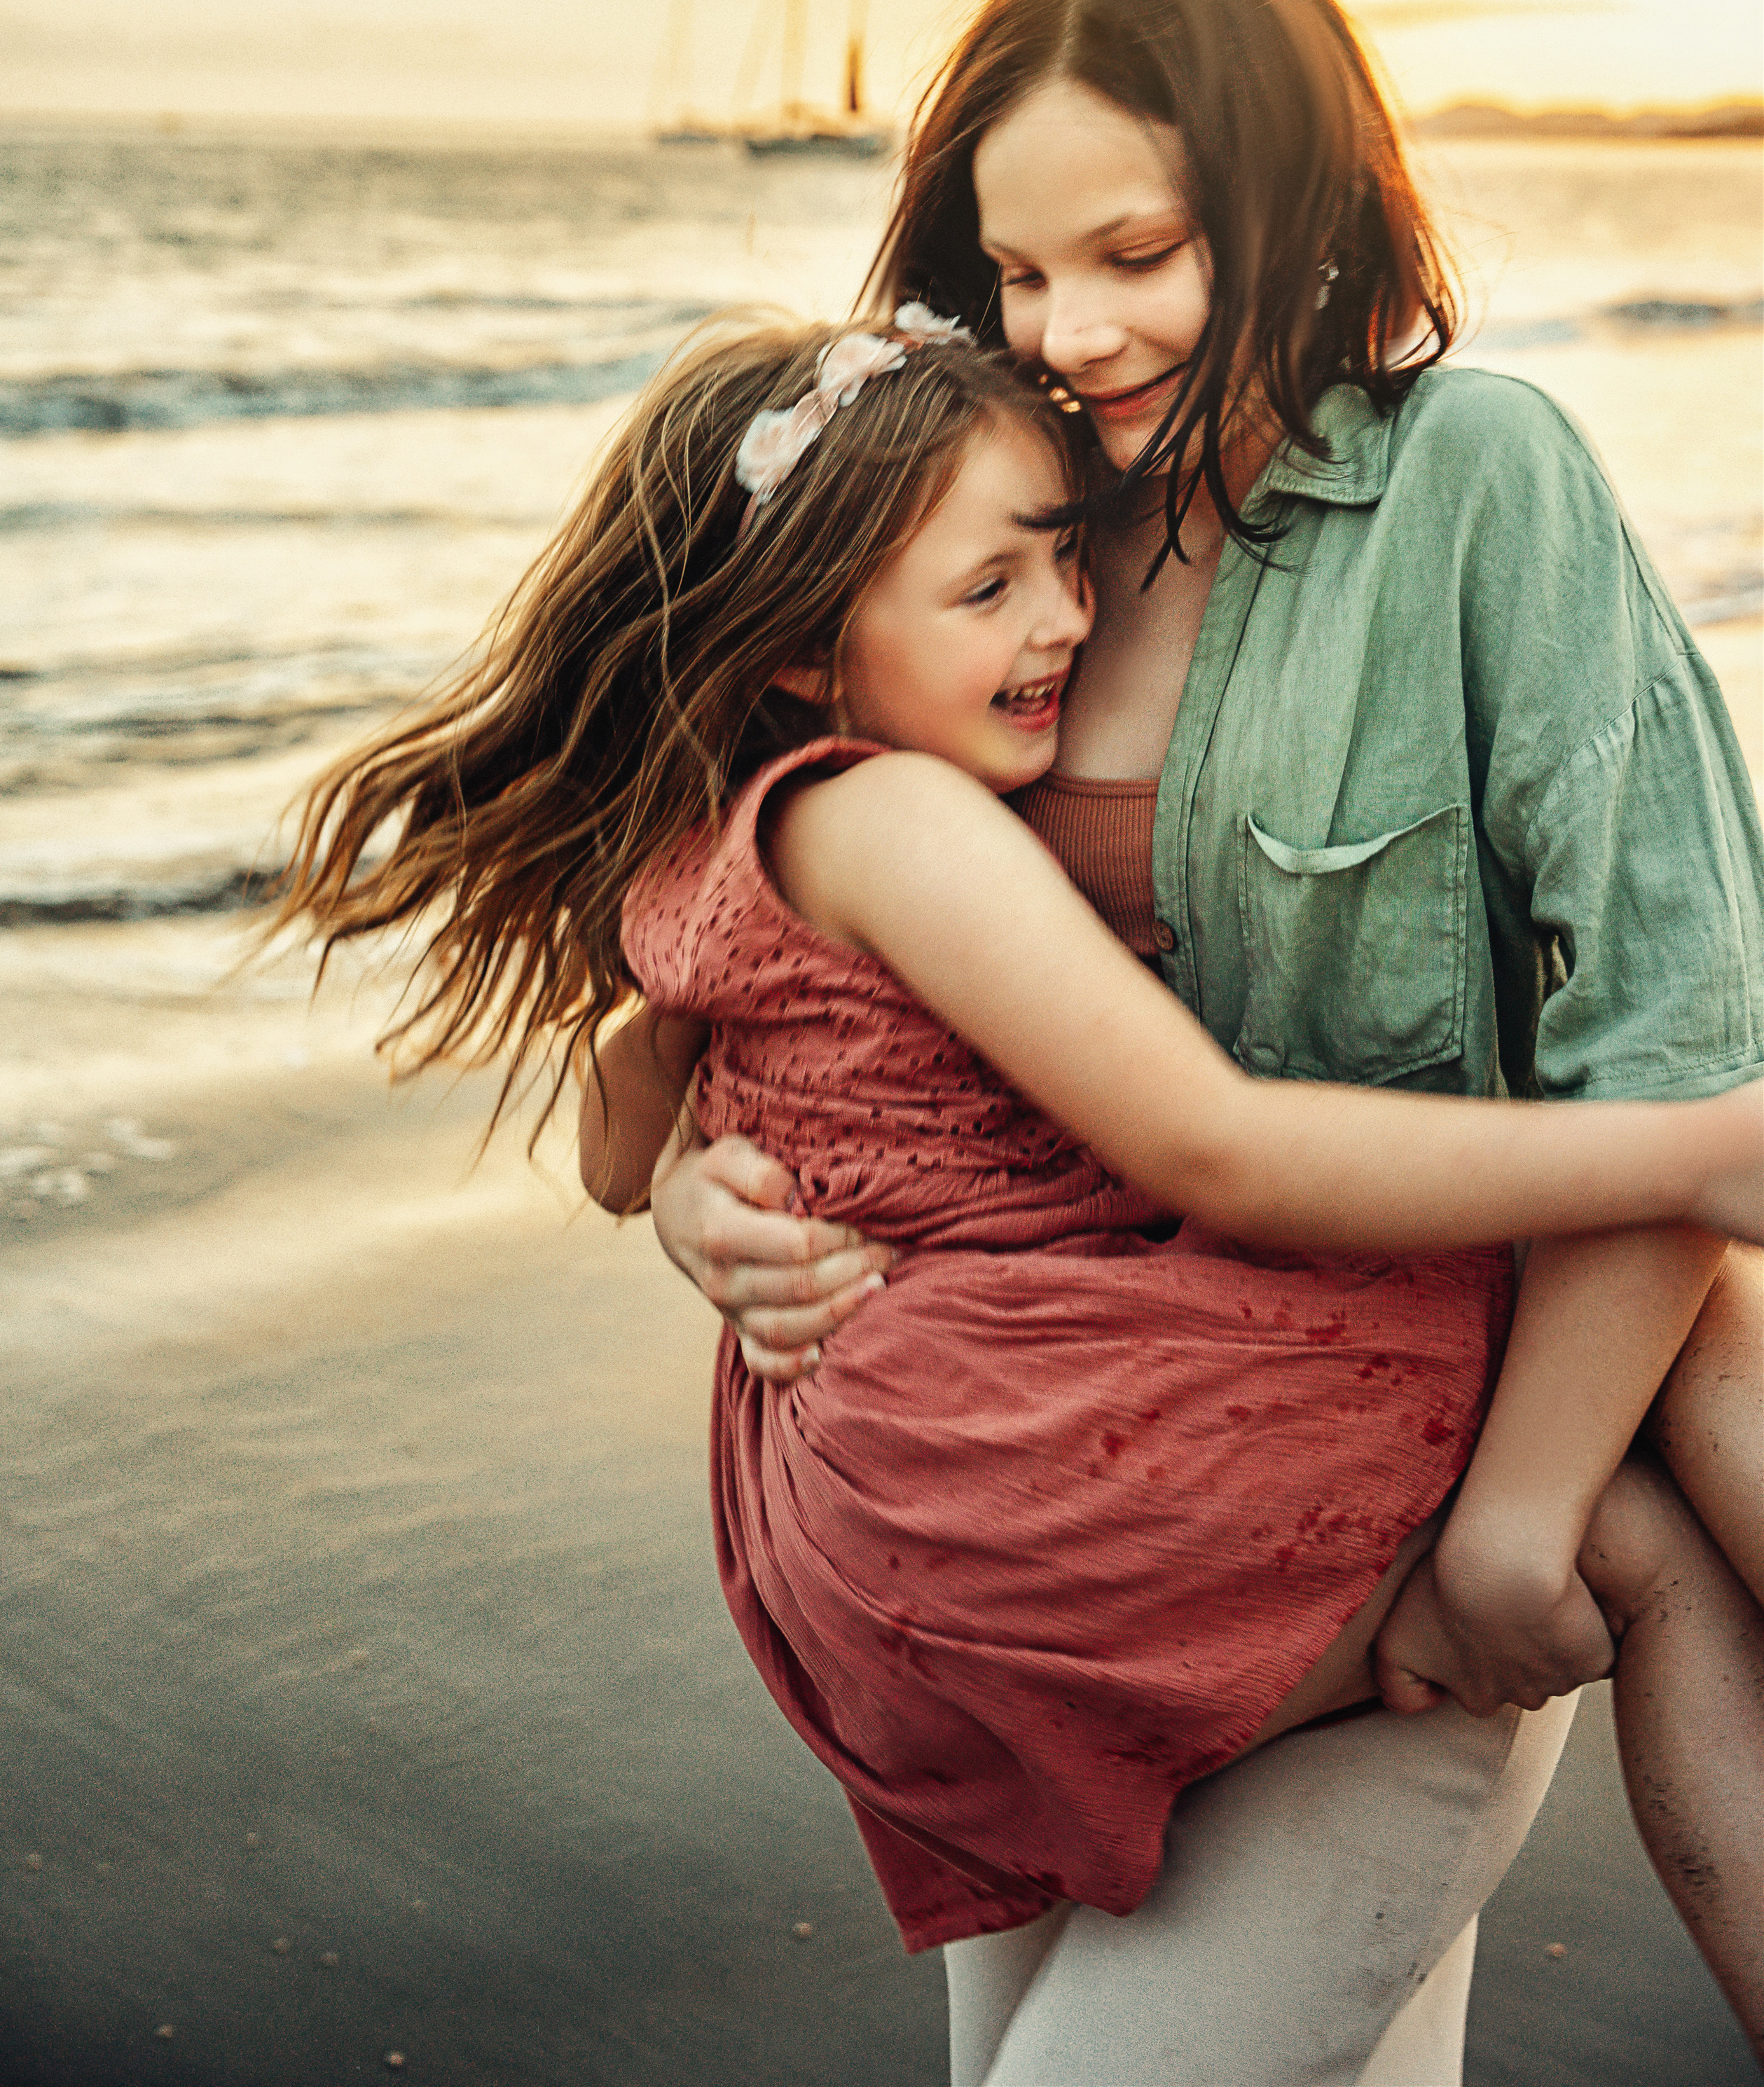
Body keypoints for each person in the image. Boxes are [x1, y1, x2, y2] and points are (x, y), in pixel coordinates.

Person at [273, 303, 1764, 2058]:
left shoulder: (714, 850)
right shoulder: (903, 824)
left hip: (864, 1510)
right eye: (986, 592)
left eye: (1062, 560)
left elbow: (616, 1148)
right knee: (1655, 1419)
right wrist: (1699, 1150)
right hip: (1023, 1475)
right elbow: (1211, 1146)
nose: (1064, 618)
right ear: (805, 656)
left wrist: (688, 1175)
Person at [645, 0, 1764, 2079]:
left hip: (1392, 1531)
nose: (1072, 332)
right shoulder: (1010, 525)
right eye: (1023, 273)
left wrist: (1522, 1523)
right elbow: (789, 941)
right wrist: (705, 1189)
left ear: (1299, 191)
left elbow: (1682, 1046)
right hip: (1065, 1542)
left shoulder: (1473, 488)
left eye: (1139, 251)